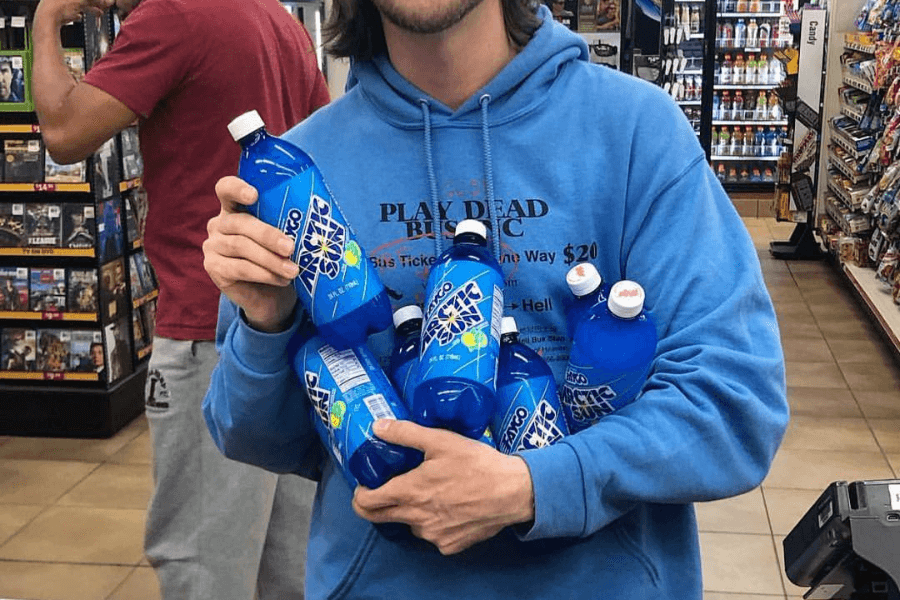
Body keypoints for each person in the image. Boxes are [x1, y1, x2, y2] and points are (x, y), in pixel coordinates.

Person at [201, 0, 789, 598]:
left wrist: (535, 487)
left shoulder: (635, 131)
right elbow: (254, 439)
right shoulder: (299, 175)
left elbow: (735, 403)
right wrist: (266, 322)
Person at [31, 0, 329, 598]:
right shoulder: (277, 18)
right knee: (290, 567)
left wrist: (44, 22)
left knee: (202, 563)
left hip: (208, 330)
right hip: (296, 326)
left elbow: (63, 133)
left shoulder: (171, 14)